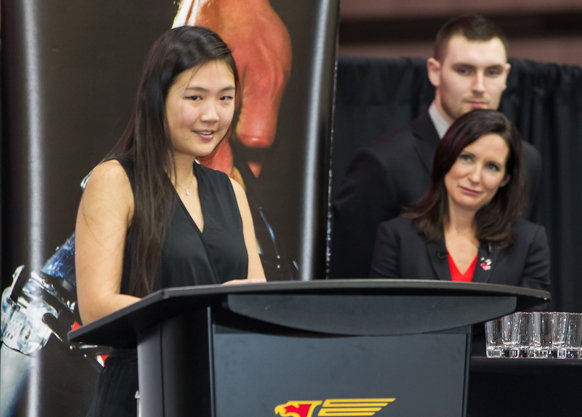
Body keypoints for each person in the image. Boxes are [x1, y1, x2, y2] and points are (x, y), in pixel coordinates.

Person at [75, 26, 266, 416]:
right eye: (195, 97)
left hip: (227, 387)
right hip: (143, 389)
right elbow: (95, 306)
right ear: (156, 98)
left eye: (225, 98)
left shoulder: (231, 190)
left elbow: (258, 294)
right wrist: (199, 313)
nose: (212, 114)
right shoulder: (115, 180)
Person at [330, 15, 542, 279]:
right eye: (464, 70)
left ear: (506, 76)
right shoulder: (383, 163)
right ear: (434, 71)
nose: (479, 86)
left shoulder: (526, 159)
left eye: (492, 72)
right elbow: (352, 279)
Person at [370, 109, 550, 295]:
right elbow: (384, 318)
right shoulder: (396, 237)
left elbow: (530, 321)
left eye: (492, 167)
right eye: (467, 158)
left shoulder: (529, 242)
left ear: (505, 179)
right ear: (446, 158)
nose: (474, 177)